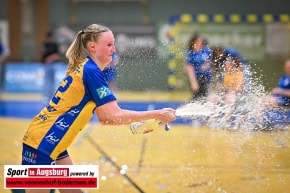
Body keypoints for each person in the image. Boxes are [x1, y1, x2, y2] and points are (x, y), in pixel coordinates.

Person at [22, 24, 176, 193]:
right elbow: (114, 114)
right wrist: (157, 114)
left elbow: (105, 118)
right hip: (43, 143)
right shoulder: (91, 72)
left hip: (52, 141)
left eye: (114, 44)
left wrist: (144, 120)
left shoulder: (87, 67)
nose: (114, 49)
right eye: (109, 44)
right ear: (92, 46)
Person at [185, 33, 212, 100]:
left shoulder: (206, 50)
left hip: (207, 78)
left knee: (206, 96)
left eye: (201, 41)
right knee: (197, 96)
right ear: (194, 42)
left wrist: (206, 65)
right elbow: (189, 68)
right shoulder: (191, 53)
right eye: (198, 41)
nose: (200, 43)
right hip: (197, 78)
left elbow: (211, 61)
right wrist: (193, 82)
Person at [40, 31, 61, 102]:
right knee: (46, 80)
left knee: (52, 80)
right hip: (46, 65)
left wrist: (50, 58)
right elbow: (41, 54)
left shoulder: (55, 45)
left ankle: (51, 95)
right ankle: (46, 95)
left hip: (53, 65)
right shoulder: (44, 45)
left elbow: (57, 56)